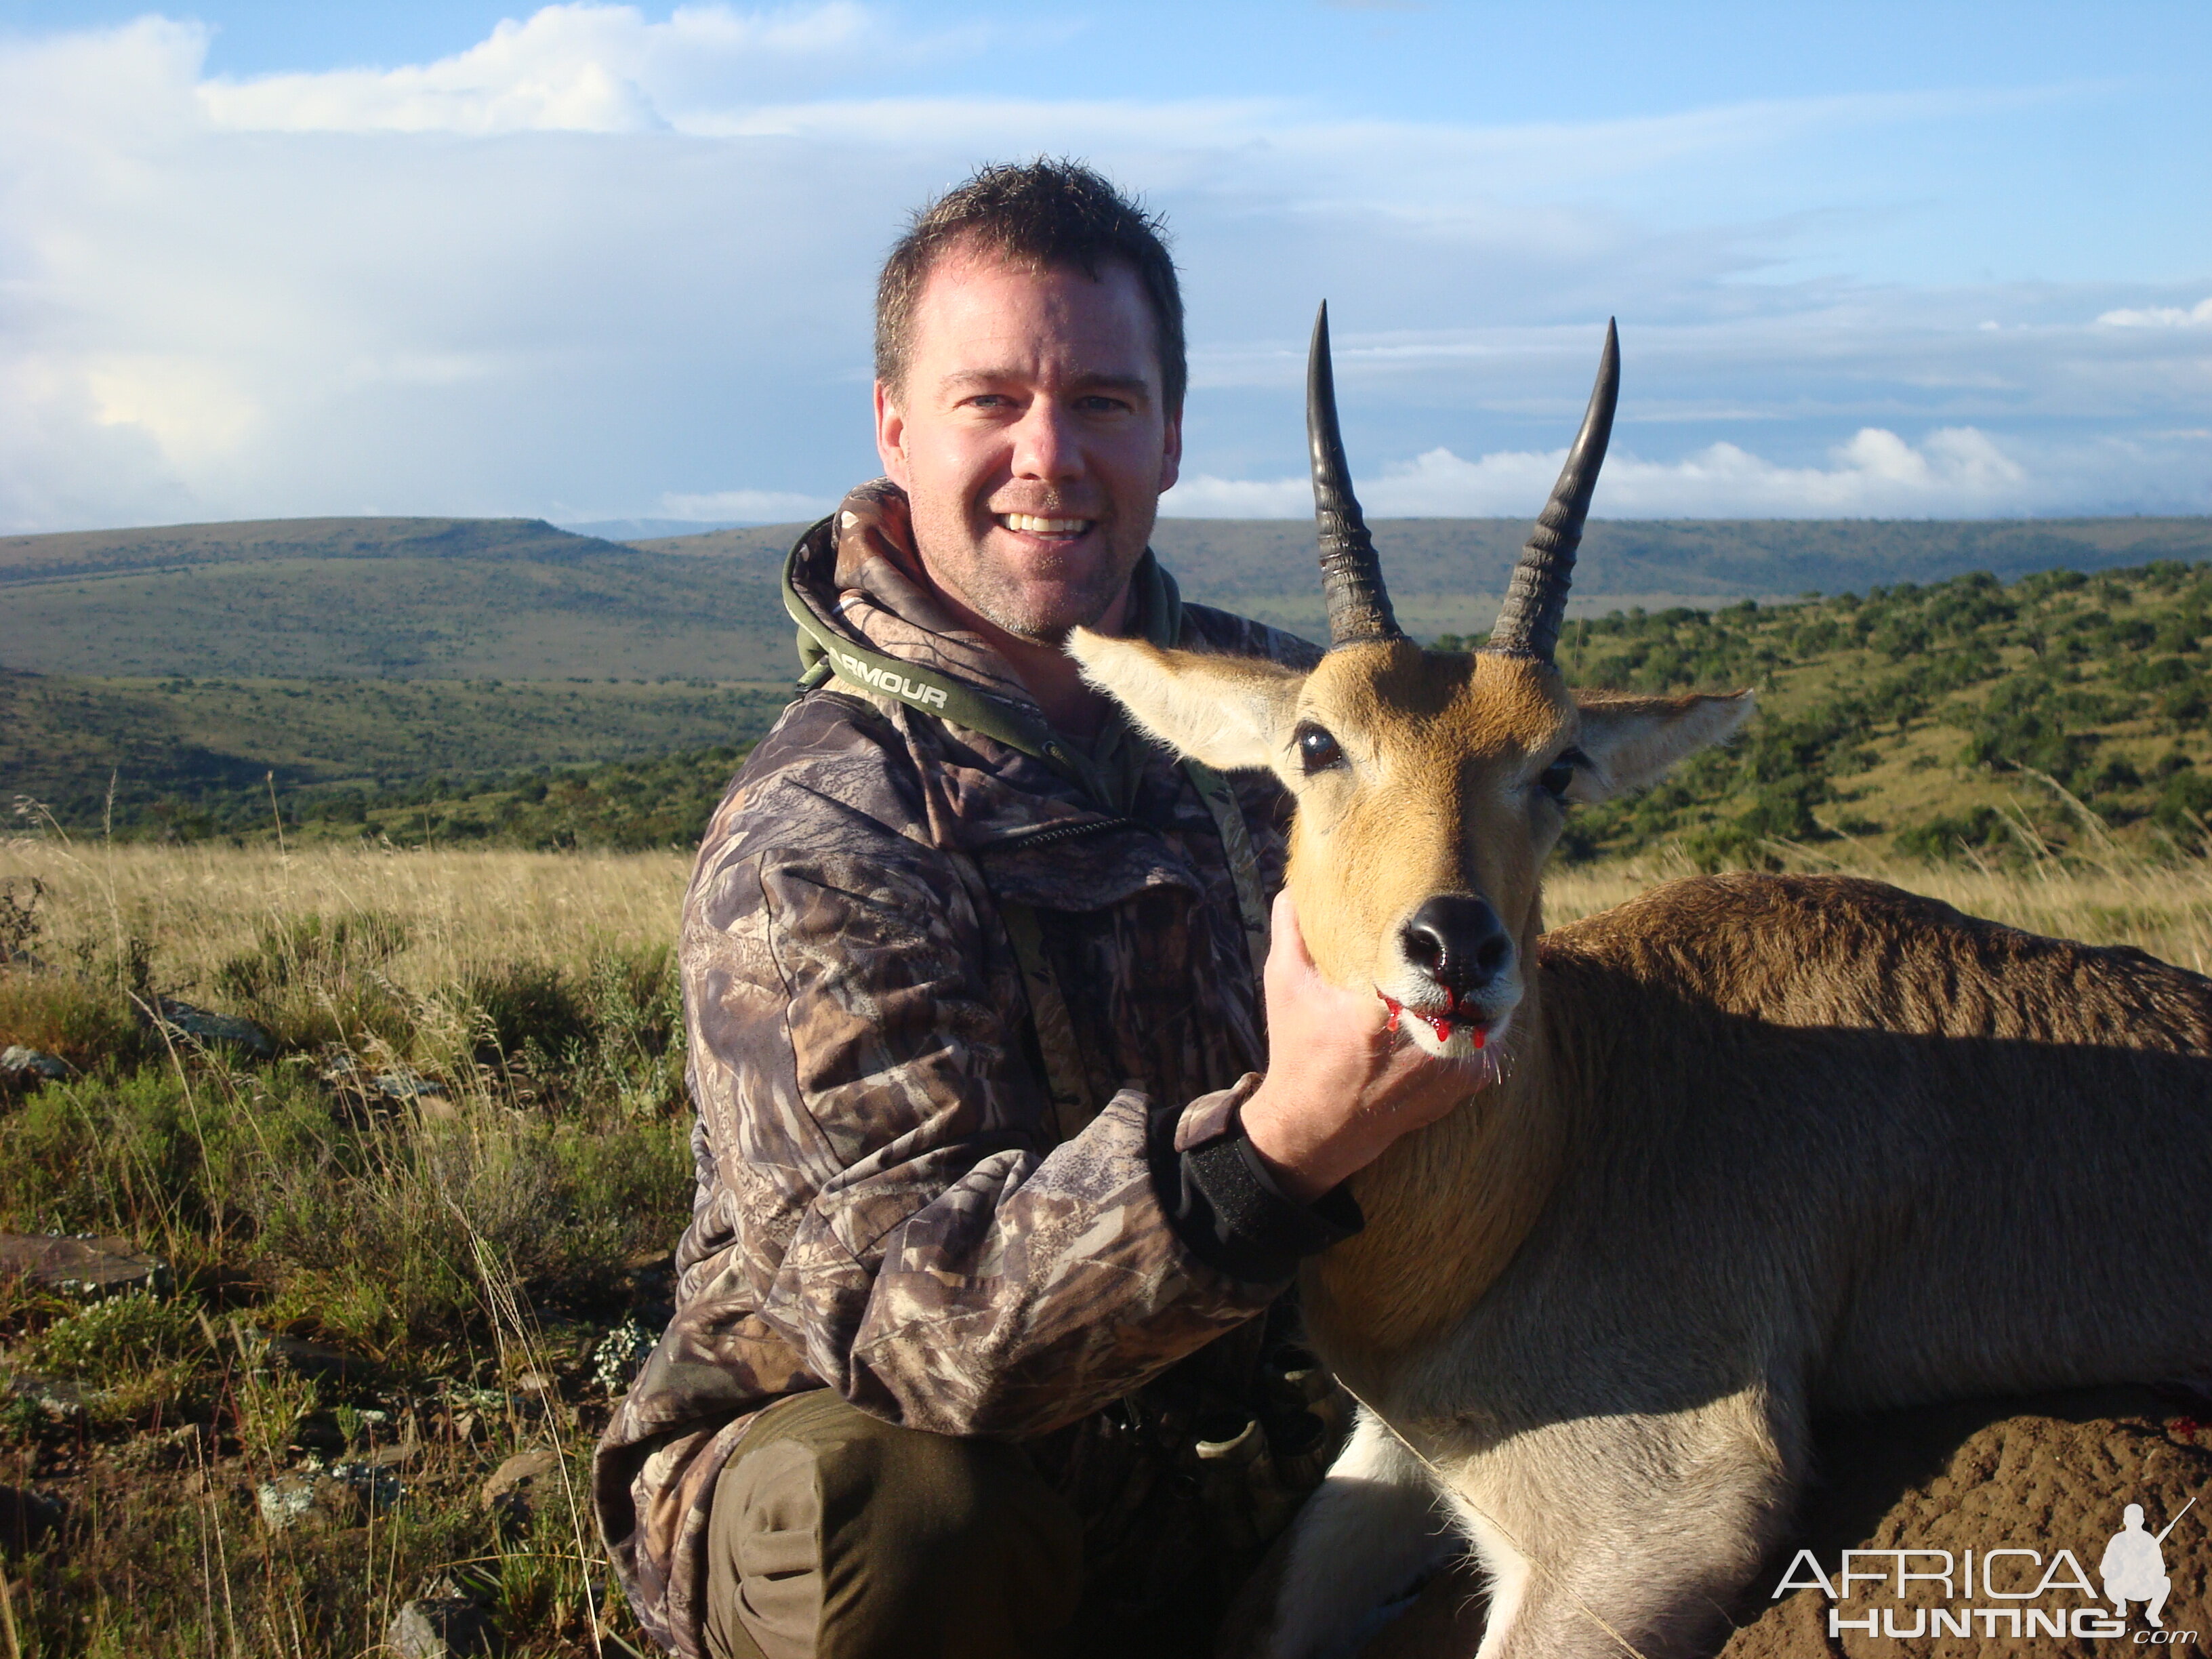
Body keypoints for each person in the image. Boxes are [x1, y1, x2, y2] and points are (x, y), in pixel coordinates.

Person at [594, 159, 1473, 1659]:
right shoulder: (823, 825)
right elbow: (904, 1338)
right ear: (894, 427)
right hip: (939, 1455)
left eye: (1105, 405)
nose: (1048, 456)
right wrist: (1275, 1153)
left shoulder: (1309, 722)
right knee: (902, 1521)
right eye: (989, 399)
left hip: (1252, 1439)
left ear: (1174, 436)